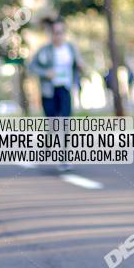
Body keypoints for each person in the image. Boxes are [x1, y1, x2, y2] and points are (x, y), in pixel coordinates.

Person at [28, 18, 87, 169]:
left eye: (61, 32)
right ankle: (47, 146)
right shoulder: (45, 50)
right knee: (53, 125)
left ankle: (64, 158)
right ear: (51, 34)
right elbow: (31, 67)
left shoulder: (71, 49)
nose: (58, 35)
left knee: (65, 124)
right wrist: (45, 72)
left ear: (64, 33)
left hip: (65, 89)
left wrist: (81, 67)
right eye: (55, 32)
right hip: (49, 91)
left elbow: (80, 64)